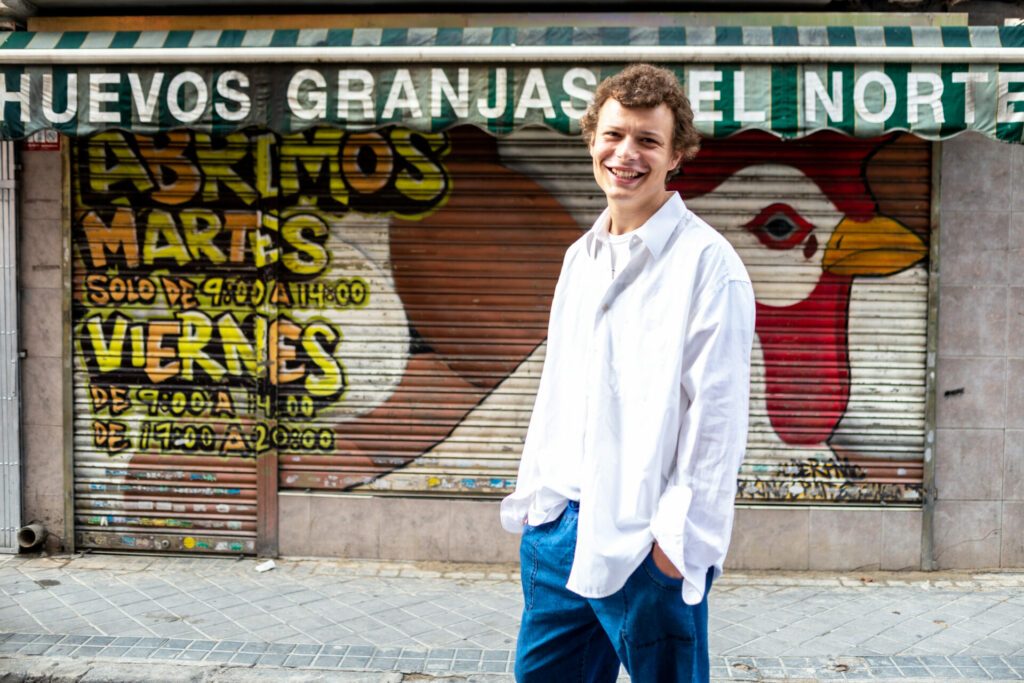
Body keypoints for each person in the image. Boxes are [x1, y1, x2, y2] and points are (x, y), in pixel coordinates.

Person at [499, 63, 756, 682]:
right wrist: (539, 505)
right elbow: (559, 389)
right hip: (559, 533)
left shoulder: (708, 267)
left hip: (647, 542)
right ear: (592, 139)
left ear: (676, 158)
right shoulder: (579, 257)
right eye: (614, 135)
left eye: (648, 140)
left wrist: (673, 551)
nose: (626, 154)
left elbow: (715, 422)